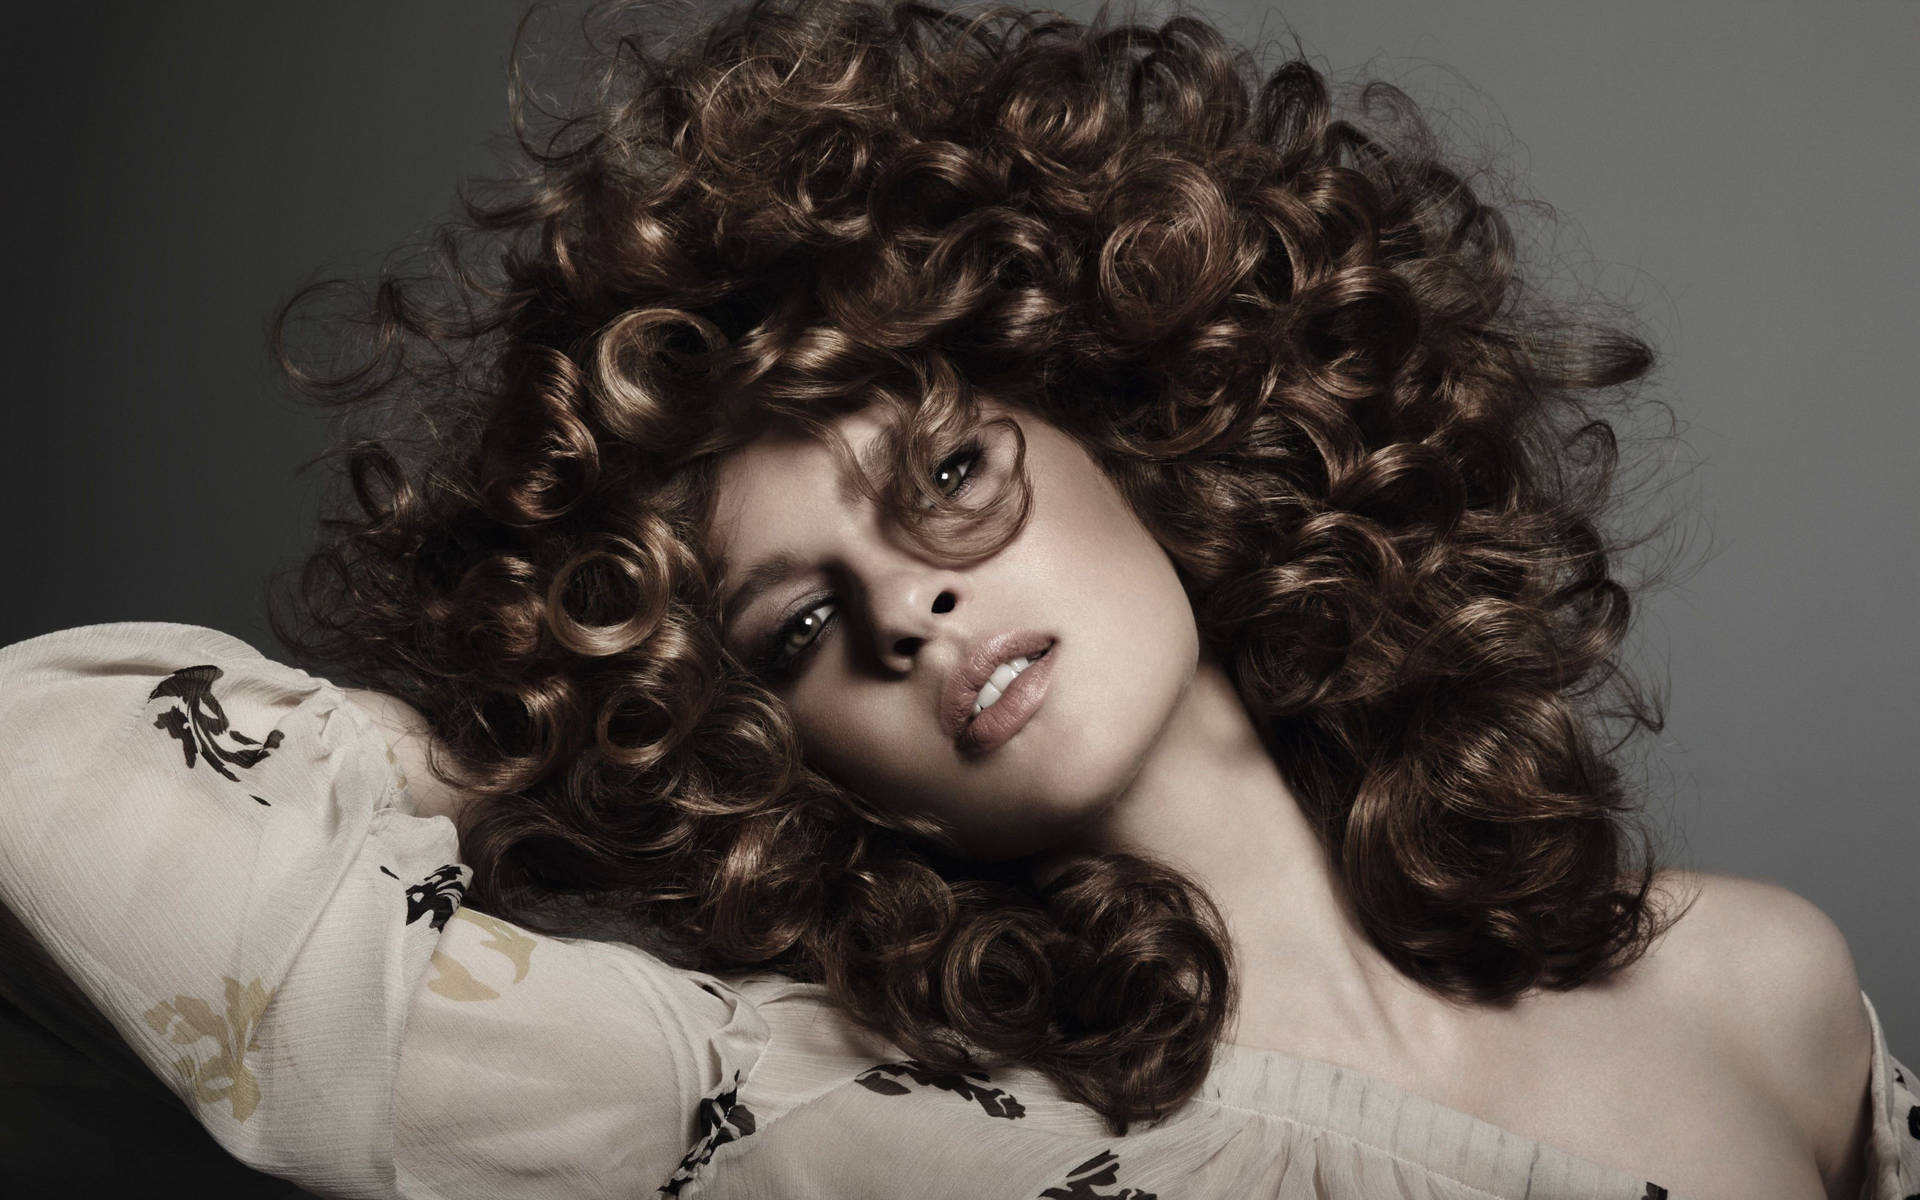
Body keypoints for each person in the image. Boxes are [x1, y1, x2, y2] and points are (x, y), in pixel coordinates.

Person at [0, 0, 1913, 1196]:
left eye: (944, 478)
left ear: (1142, 426)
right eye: (801, 634)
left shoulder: (1762, 990)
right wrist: (550, 746)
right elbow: (45, 768)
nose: (907, 611)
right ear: (800, 761)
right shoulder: (853, 1128)